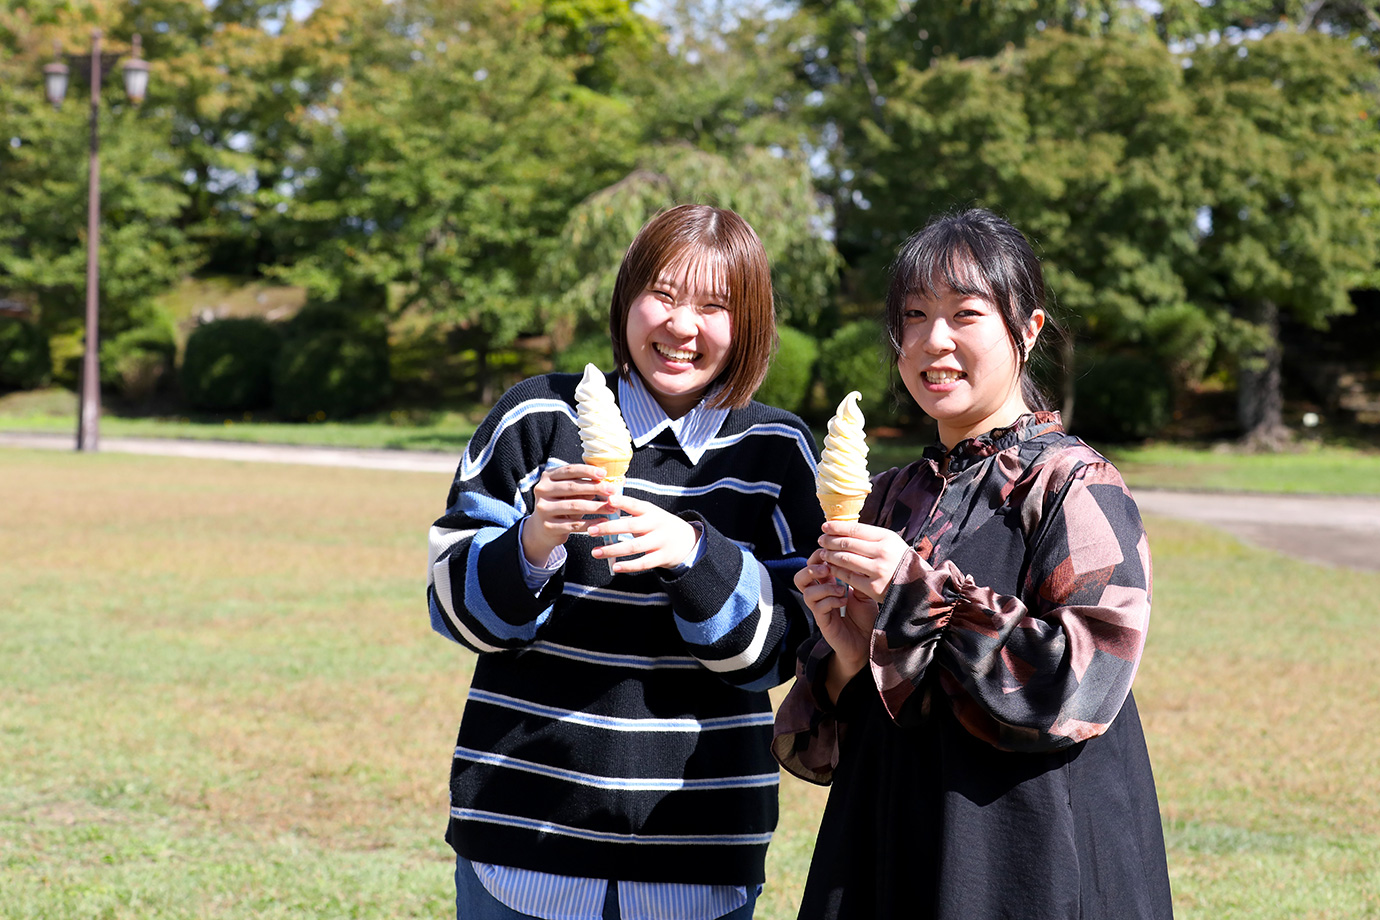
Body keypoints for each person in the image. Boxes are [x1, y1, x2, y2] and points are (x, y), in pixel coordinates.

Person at [774, 208, 1174, 920]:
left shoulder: (1073, 484)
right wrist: (844, 651)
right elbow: (832, 738)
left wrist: (917, 592)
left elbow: (1082, 685)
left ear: (1027, 329)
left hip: (1026, 854)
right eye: (914, 316)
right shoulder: (895, 494)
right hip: (895, 842)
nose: (935, 341)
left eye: (965, 314)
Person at [427, 204, 823, 920]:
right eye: (663, 295)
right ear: (627, 299)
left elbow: (784, 654)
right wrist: (534, 542)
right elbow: (453, 608)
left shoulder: (777, 450)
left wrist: (695, 557)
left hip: (698, 851)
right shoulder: (537, 418)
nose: (680, 326)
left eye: (714, 306)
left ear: (752, 324)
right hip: (520, 837)